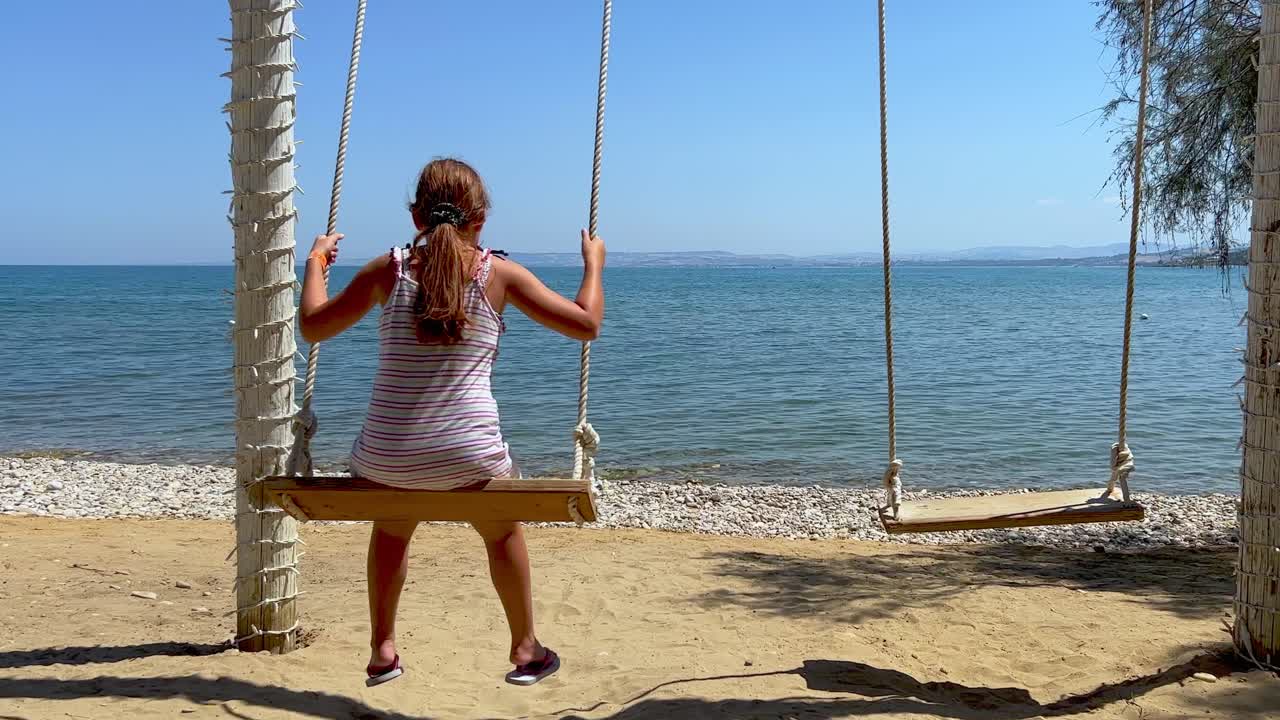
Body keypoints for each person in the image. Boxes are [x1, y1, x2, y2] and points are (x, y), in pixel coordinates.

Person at [298, 157, 606, 687]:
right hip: (469, 459)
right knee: (501, 525)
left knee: (392, 522)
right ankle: (526, 648)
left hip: (386, 459)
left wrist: (315, 266)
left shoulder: (385, 271)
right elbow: (586, 326)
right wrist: (593, 264)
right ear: (480, 219)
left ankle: (382, 648)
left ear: (416, 216)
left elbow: (312, 328)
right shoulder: (499, 274)